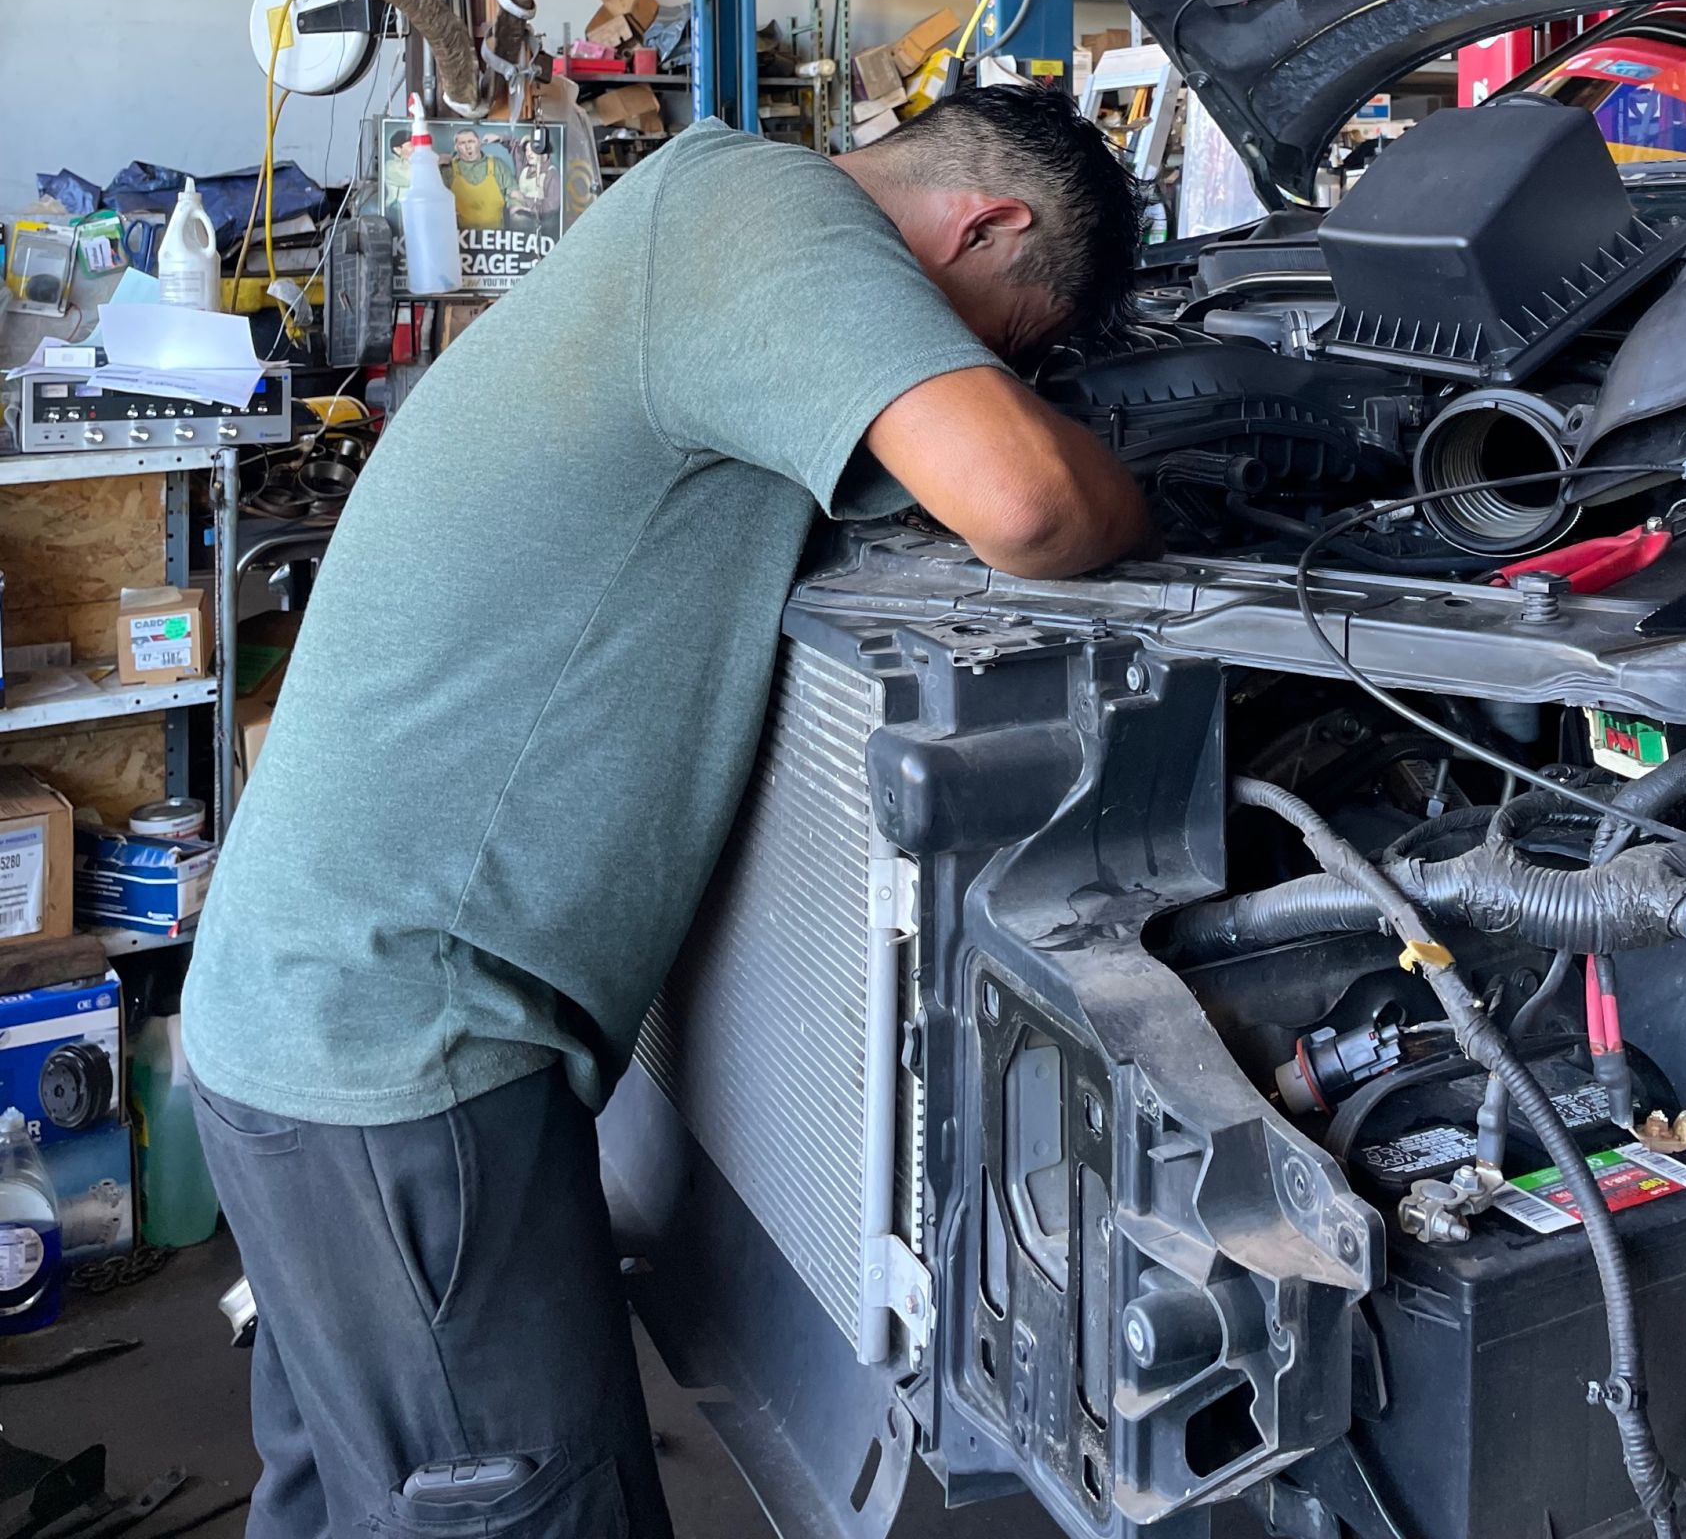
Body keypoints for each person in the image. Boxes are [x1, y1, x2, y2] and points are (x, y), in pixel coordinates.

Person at [182, 88, 1154, 1539]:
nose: (977, 378)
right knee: (517, 1512)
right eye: (1006, 349)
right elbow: (1020, 504)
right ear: (984, 226)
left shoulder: (694, 232)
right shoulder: (769, 214)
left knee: (356, 1500)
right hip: (404, 1065)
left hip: (308, 1032)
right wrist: (1139, 503)